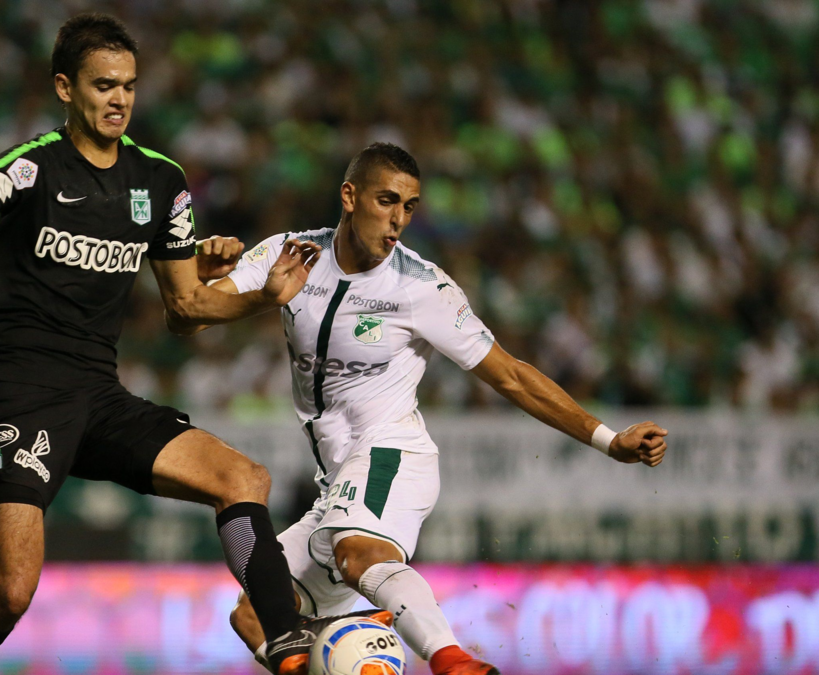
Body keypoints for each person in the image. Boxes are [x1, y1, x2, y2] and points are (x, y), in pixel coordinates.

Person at [0, 13, 380, 675]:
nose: (120, 99)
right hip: (21, 394)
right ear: (65, 88)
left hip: (100, 395)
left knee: (242, 478)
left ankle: (286, 642)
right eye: (103, 85)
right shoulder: (35, 165)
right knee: (9, 593)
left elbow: (185, 308)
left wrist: (261, 296)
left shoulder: (160, 181)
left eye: (129, 85)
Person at [195, 143, 669, 675]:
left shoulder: (422, 286)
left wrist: (609, 438)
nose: (398, 219)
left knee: (358, 553)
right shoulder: (290, 254)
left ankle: (453, 662)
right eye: (386, 201)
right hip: (335, 482)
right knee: (256, 615)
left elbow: (511, 375)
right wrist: (199, 269)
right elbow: (193, 313)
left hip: (391, 453)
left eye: (410, 206)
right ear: (349, 196)